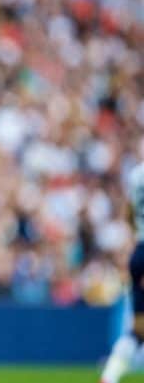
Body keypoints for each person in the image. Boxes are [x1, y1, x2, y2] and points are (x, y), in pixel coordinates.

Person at [100, 162, 144, 383]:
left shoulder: (136, 173)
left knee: (139, 328)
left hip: (139, 252)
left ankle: (110, 375)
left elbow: (129, 214)